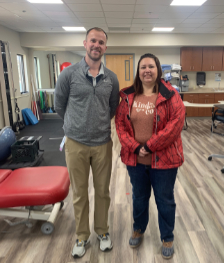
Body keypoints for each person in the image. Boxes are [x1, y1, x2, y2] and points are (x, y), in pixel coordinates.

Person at [54, 27, 119, 258]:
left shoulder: (111, 78)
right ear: (85, 43)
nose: (97, 45)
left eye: (101, 42)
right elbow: (59, 106)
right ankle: (82, 236)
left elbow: (113, 108)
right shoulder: (69, 75)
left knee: (102, 192)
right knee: (79, 193)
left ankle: (102, 232)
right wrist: (76, 125)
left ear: (105, 47)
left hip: (102, 143)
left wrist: (96, 124)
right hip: (75, 144)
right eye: (93, 41)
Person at [115, 53, 185, 260]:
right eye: (143, 67)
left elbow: (175, 125)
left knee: (164, 199)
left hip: (165, 160)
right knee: (139, 197)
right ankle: (139, 229)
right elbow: (120, 125)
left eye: (151, 67)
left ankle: (167, 237)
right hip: (135, 160)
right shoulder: (128, 97)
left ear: (158, 70)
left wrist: (151, 145)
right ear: (138, 71)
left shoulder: (171, 95)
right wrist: (136, 147)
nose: (147, 70)